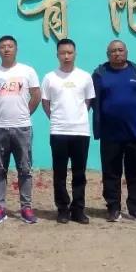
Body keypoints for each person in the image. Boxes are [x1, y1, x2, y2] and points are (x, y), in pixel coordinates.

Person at [92, 40, 136, 222]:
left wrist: (135, 117)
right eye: (113, 51)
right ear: (107, 54)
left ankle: (135, 208)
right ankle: (113, 208)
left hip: (134, 132)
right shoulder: (99, 74)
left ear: (126, 51)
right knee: (111, 173)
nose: (117, 53)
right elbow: (95, 101)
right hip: (109, 133)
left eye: (120, 50)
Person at [0, 35, 41, 224]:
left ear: (16, 49)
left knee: (25, 169)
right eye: (3, 46)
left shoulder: (27, 71)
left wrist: (25, 113)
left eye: (10, 46)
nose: (6, 49)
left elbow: (36, 95)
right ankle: (0, 208)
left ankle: (26, 208)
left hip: (22, 128)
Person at [40, 38, 95, 224]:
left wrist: (77, 118)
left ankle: (78, 210)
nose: (66, 56)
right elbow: (46, 103)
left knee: (79, 173)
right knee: (60, 173)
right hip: (58, 131)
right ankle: (62, 209)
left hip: (80, 131)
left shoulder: (85, 77)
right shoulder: (50, 77)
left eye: (69, 53)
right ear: (57, 55)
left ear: (75, 54)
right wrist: (57, 119)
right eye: (62, 53)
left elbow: (87, 102)